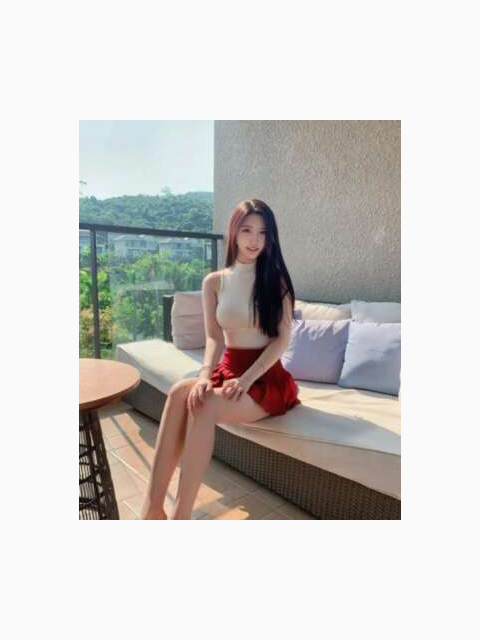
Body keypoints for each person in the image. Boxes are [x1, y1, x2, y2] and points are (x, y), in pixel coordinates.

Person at [141, 199, 301, 520]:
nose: (255, 240)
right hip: (228, 370)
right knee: (180, 392)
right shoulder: (214, 281)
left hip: (264, 379)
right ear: (234, 233)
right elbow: (214, 337)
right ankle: (152, 509)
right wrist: (204, 375)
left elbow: (281, 340)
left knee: (204, 405)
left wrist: (247, 379)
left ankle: (180, 516)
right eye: (247, 230)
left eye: (263, 232)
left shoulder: (277, 281)